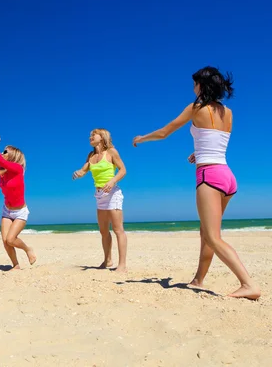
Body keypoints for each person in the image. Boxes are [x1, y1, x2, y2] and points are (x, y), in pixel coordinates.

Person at [132, 66, 260, 300]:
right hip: (227, 176)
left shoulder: (195, 108)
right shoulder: (228, 112)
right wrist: (197, 153)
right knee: (207, 233)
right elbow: (215, 141)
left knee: (212, 237)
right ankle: (199, 280)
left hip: (209, 177)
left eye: (195, 84)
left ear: (202, 85)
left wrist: (142, 138)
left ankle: (248, 283)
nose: (193, 88)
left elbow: (164, 132)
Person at [73, 128, 128, 272]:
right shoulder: (91, 155)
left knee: (118, 229)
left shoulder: (111, 152)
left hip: (112, 193)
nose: (90, 136)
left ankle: (122, 265)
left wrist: (113, 181)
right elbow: (84, 170)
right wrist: (78, 173)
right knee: (103, 230)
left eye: (93, 135)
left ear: (102, 137)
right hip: (99, 195)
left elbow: (123, 170)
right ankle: (107, 260)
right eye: (90, 134)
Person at [0, 135, 36, 270]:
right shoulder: (1, 171)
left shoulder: (17, 169)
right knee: (5, 241)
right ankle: (15, 265)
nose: (2, 153)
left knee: (11, 239)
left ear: (13, 156)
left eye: (5, 151)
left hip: (20, 212)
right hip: (7, 210)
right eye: (2, 151)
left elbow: (0, 160)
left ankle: (28, 249)